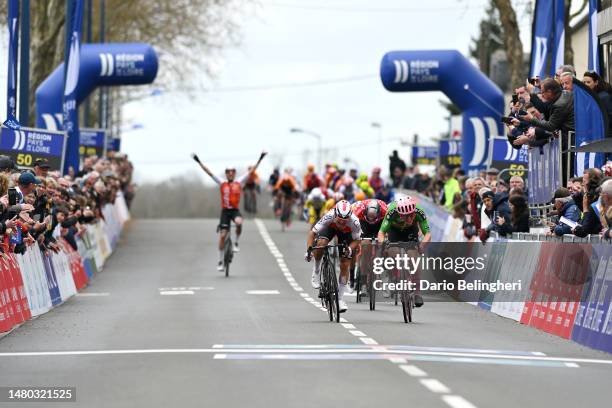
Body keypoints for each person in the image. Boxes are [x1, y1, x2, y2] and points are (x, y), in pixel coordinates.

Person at [192, 152, 267, 270]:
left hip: (235, 211)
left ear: (235, 173)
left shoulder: (240, 182)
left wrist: (260, 159)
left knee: (239, 222)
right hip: (225, 212)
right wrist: (198, 161)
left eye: (232, 171)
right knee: (222, 236)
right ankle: (220, 261)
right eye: (228, 172)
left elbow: (251, 171)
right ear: (226, 173)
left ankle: (236, 243)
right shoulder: (222, 183)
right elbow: (209, 172)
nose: (230, 173)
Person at [305, 200, 362, 313]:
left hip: (346, 234)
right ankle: (316, 270)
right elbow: (312, 233)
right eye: (340, 221)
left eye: (344, 221)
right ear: (335, 214)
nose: (341, 224)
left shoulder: (354, 222)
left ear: (349, 218)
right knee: (321, 244)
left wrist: (349, 249)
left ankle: (339, 299)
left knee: (345, 263)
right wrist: (309, 250)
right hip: (330, 228)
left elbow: (357, 240)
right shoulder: (329, 216)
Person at [377, 196, 431, 307]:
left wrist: (422, 245)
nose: (410, 218)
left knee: (414, 259)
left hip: (411, 232)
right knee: (393, 254)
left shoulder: (419, 211)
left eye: (412, 215)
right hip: (394, 232)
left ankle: (417, 293)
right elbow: (381, 233)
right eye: (406, 216)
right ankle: (394, 277)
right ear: (400, 214)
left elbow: (428, 234)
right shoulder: (391, 212)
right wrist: (383, 243)